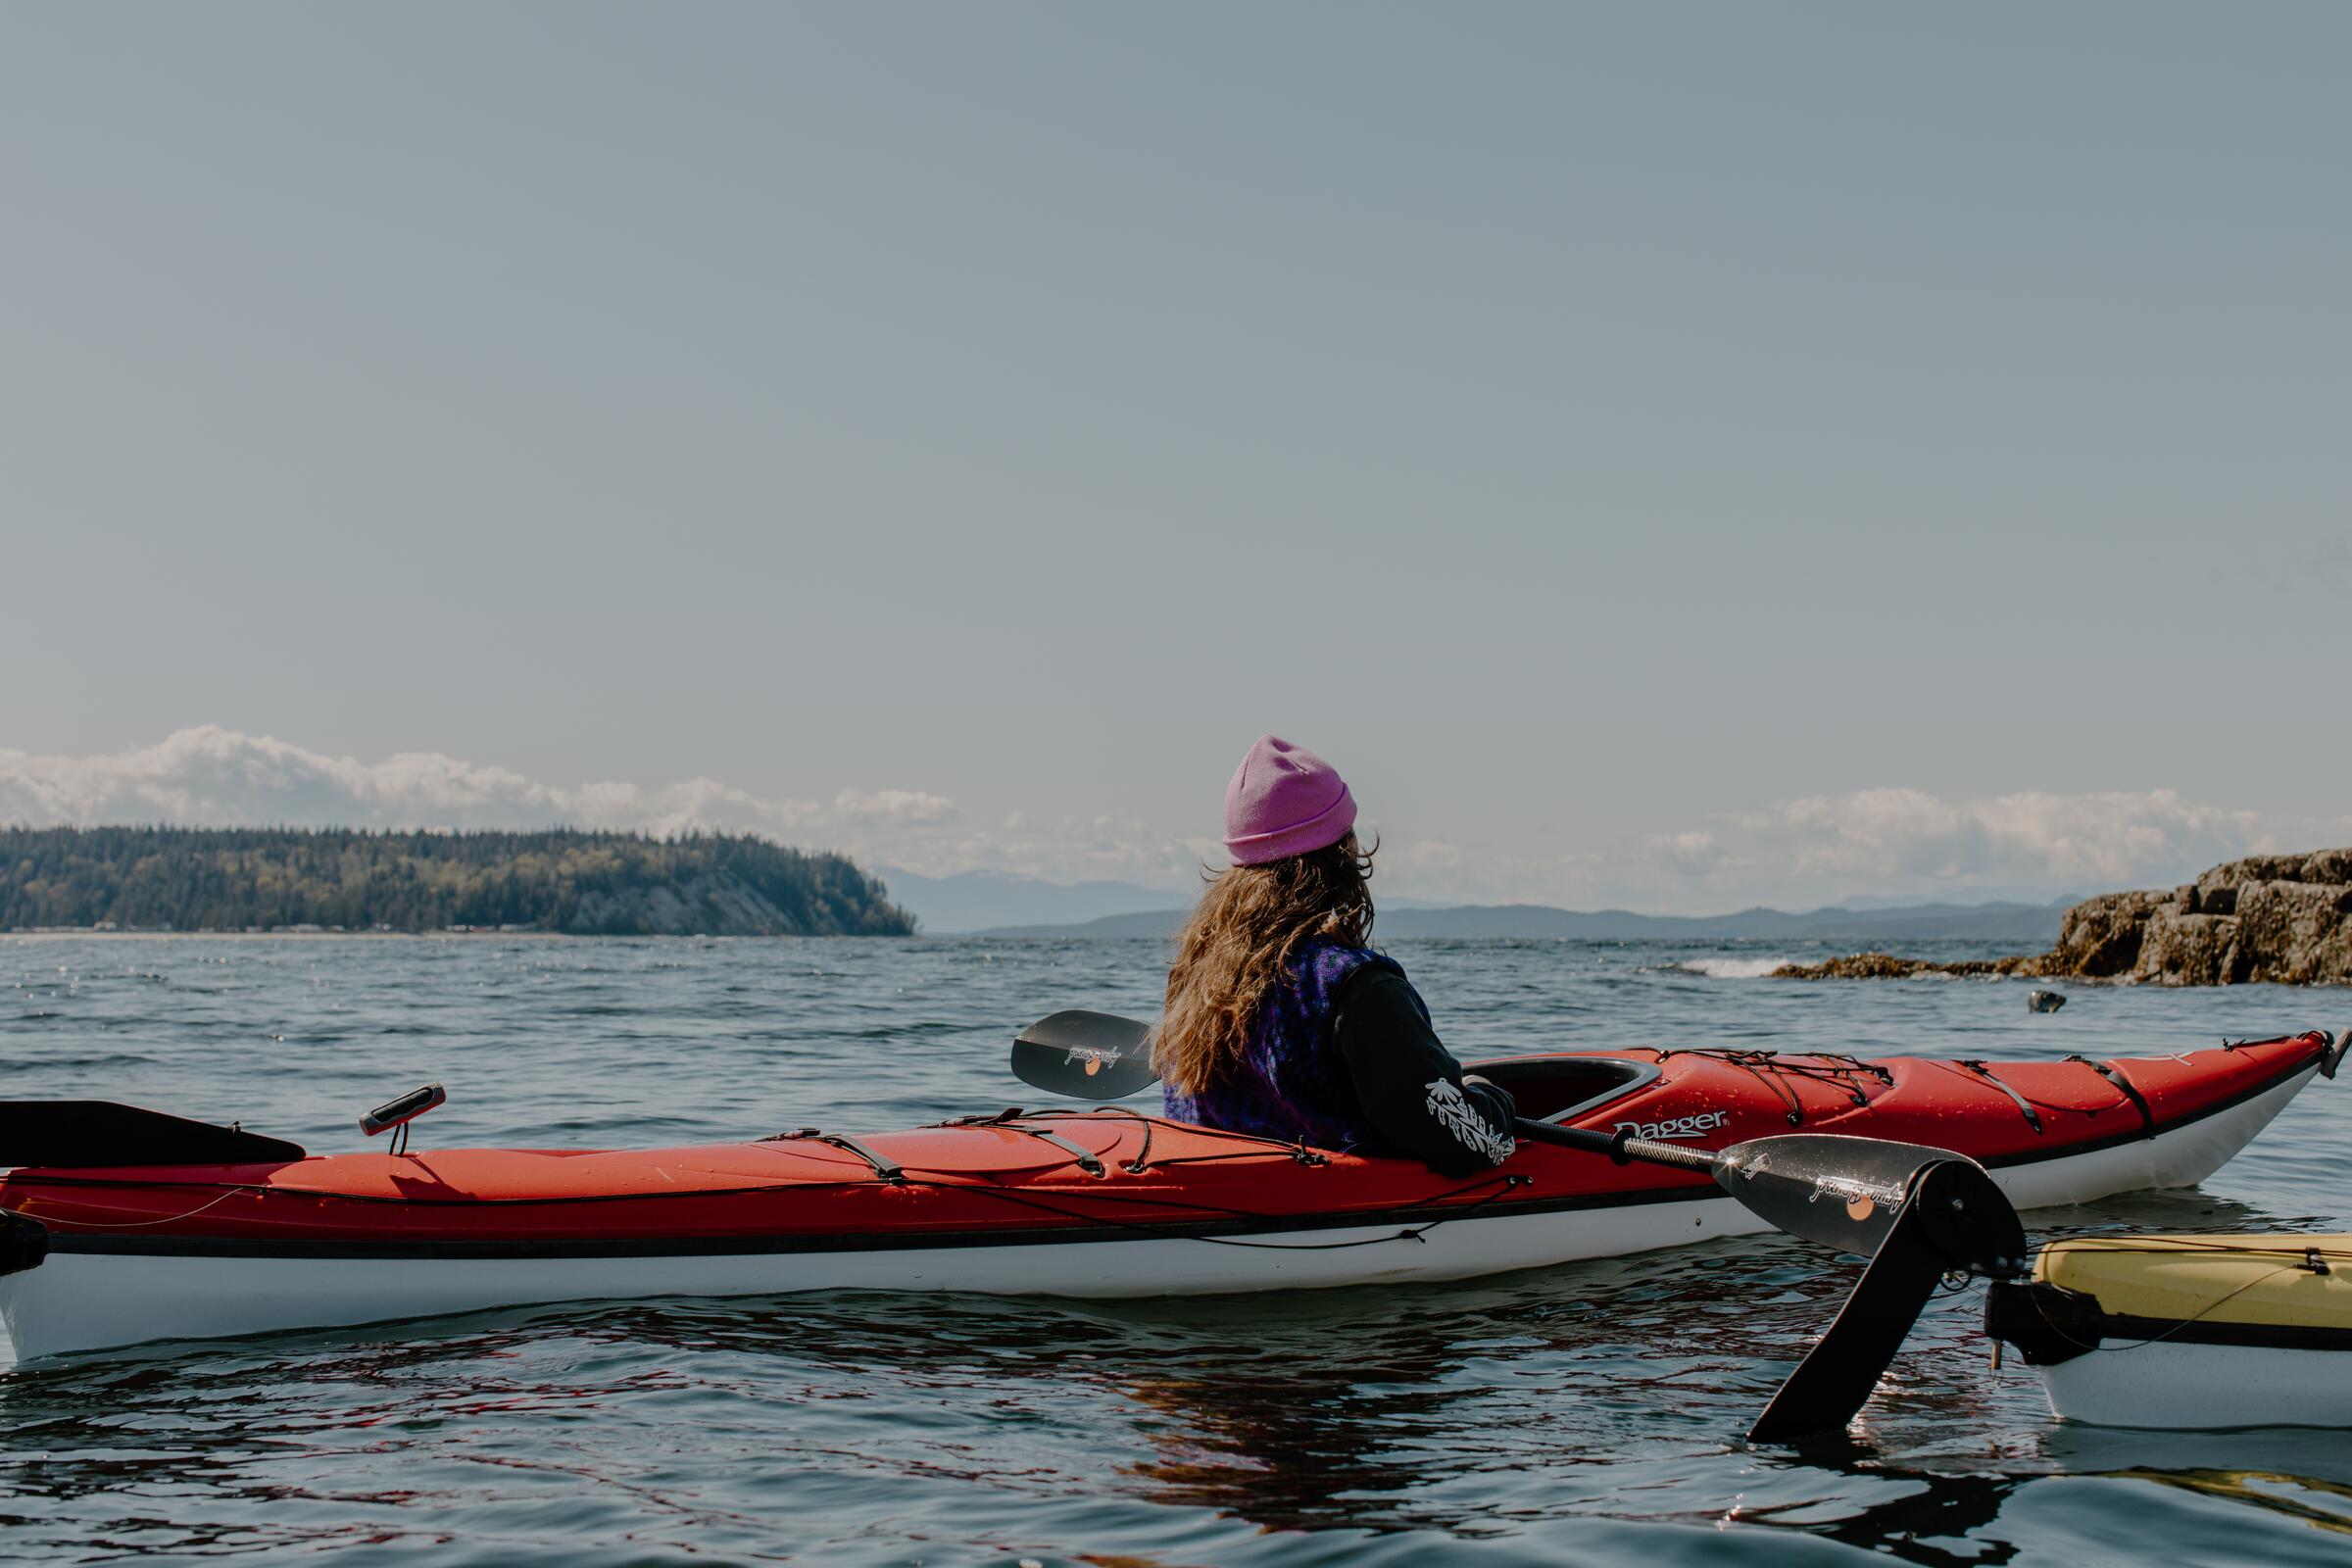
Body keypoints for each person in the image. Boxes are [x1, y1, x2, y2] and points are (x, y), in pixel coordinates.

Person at [1153, 734, 1519, 1175]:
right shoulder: (1356, 987)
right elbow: (1471, 1145)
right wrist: (1488, 1097)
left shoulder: (1195, 976)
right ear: (1343, 852)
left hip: (1216, 1193)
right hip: (1328, 1213)